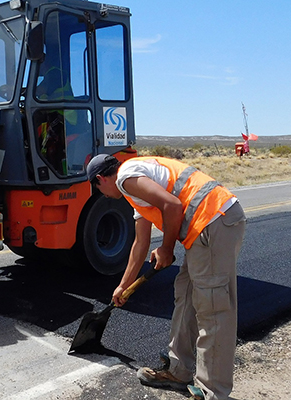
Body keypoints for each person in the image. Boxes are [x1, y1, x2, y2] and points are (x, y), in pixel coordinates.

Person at [85, 154, 246, 400]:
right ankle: (178, 371)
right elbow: (140, 243)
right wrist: (123, 286)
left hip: (215, 220)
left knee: (212, 308)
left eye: (98, 189)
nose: (103, 196)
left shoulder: (127, 177)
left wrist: (167, 249)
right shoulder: (136, 186)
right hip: (204, 230)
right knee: (186, 294)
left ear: (100, 179)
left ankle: (213, 392)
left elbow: (172, 205)